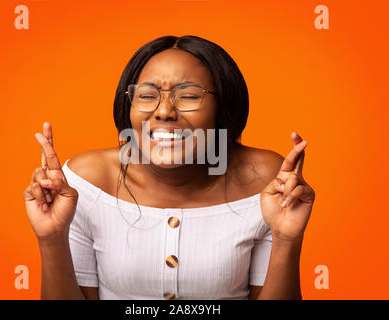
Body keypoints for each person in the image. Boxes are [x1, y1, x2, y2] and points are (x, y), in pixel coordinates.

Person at [23, 35, 316, 300]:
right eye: (147, 96)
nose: (164, 112)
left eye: (188, 96)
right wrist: (52, 239)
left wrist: (287, 239)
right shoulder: (86, 182)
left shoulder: (265, 180)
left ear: (223, 107)